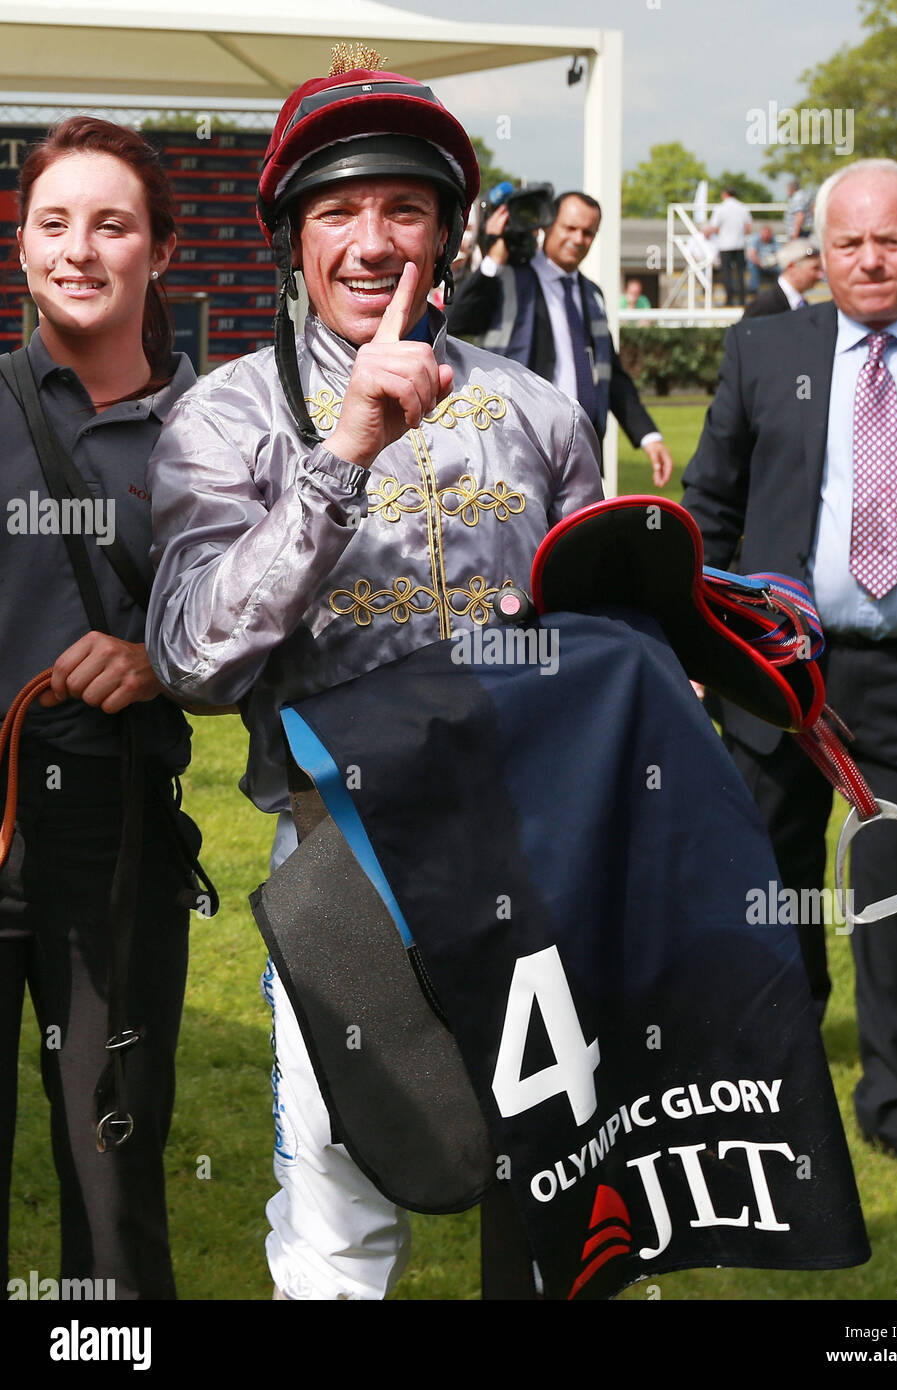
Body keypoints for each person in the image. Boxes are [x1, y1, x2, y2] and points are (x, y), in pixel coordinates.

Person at [145, 48, 603, 1301]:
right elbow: (190, 655)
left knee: (557, 1192)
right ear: (292, 241)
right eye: (336, 212)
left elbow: (602, 648)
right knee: (342, 1214)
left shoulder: (543, 413)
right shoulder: (226, 418)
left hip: (536, 853)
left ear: (450, 236)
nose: (369, 240)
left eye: (403, 209)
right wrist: (341, 453)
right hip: (340, 861)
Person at [681, 158, 897, 1198]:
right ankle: (781, 1063)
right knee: (772, 883)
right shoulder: (763, 348)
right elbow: (711, 503)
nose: (870, 260)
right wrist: (702, 648)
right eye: (849, 242)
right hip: (781, 671)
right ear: (817, 253)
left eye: (892, 240)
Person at [0, 118, 200, 1299]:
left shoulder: (218, 434)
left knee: (110, 1175)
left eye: (111, 224)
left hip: (115, 844)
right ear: (22, 245)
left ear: (162, 250)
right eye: (53, 223)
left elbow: (274, 630)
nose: (79, 250)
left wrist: (163, 659)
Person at [446, 191, 674, 486]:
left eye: (588, 233)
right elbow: (457, 321)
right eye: (570, 228)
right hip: (514, 448)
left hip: (581, 452)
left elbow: (611, 373)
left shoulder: (592, 294)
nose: (579, 239)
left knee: (584, 534)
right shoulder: (509, 277)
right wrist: (493, 259)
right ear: (547, 226)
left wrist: (648, 436)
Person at [744, 237, 822, 317]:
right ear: (792, 267)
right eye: (815, 268)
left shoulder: (801, 304)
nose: (820, 275)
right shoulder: (764, 306)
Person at [704, 186, 751, 306]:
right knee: (740, 274)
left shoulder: (720, 208)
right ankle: (742, 300)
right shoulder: (743, 208)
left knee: (727, 274)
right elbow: (748, 228)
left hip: (725, 246)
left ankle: (729, 300)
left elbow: (714, 228)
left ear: (725, 194)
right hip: (740, 244)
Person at [744, 224, 780, 297]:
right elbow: (751, 255)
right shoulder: (755, 239)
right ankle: (753, 290)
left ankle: (779, 289)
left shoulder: (774, 240)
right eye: (764, 235)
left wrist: (771, 263)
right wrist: (761, 263)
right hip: (758, 263)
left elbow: (779, 254)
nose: (766, 237)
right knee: (752, 265)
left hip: (770, 265)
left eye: (767, 235)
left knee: (780, 268)